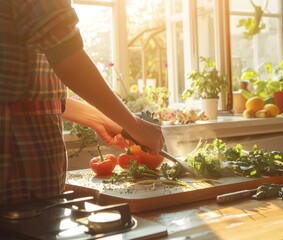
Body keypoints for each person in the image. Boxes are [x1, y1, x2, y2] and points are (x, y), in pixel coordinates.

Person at [0, 0, 165, 206]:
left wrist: (99, 118)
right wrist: (134, 124)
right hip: (16, 154)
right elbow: (67, 57)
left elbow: (24, 92)